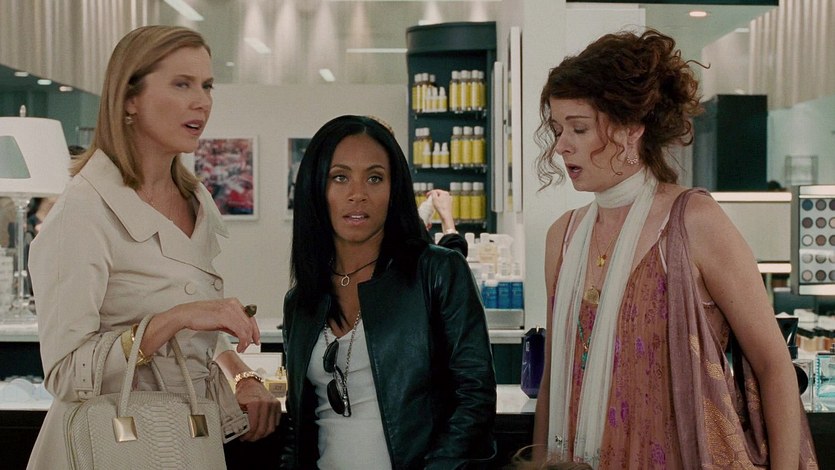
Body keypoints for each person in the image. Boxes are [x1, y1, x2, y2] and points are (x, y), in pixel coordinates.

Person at [531, 29, 817, 468]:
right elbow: (555, 377)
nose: (562, 145)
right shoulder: (563, 236)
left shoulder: (693, 222)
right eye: (557, 129)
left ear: (630, 129)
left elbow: (774, 365)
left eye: (579, 128)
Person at [26, 25, 280, 469]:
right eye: (182, 84)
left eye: (206, 86)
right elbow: (65, 374)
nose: (201, 101)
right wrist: (175, 318)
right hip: (110, 450)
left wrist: (241, 375)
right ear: (130, 98)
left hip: (187, 442)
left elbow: (198, 335)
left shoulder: (194, 198)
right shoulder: (83, 212)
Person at [282, 115, 496, 468]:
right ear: (315, 189)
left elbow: (475, 398)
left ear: (394, 189)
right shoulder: (301, 301)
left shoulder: (437, 272)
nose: (358, 194)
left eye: (375, 178)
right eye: (340, 177)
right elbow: (298, 426)